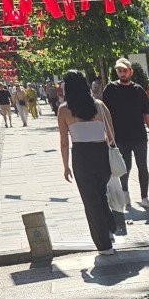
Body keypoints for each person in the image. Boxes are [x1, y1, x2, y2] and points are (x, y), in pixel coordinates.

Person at [57, 69, 118, 255]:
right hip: (101, 153)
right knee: (100, 193)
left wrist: (66, 166)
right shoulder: (99, 105)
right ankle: (109, 228)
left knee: (91, 201)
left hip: (81, 155)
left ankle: (104, 244)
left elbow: (64, 142)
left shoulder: (64, 110)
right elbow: (111, 134)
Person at [102, 57, 149, 209]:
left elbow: (147, 113)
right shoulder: (110, 89)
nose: (122, 74)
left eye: (124, 71)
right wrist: (107, 134)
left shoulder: (138, 90)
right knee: (124, 167)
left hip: (139, 135)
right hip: (120, 136)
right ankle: (125, 193)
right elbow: (104, 114)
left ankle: (144, 197)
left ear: (130, 72)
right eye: (119, 71)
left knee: (142, 167)